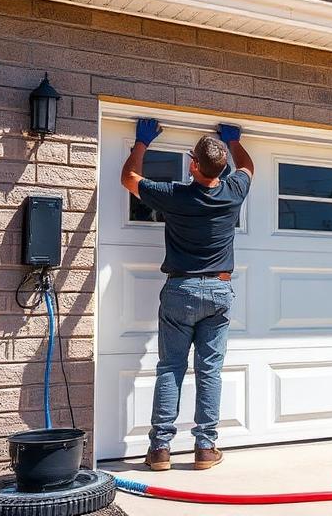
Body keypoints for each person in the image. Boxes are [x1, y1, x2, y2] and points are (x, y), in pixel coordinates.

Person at [120, 118, 254, 469]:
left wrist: (142, 142)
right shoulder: (233, 191)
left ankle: (160, 450)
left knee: (171, 368)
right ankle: (205, 448)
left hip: (180, 290)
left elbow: (129, 179)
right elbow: (248, 167)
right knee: (209, 370)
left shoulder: (175, 195)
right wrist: (233, 142)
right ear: (221, 169)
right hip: (219, 290)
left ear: (194, 166)